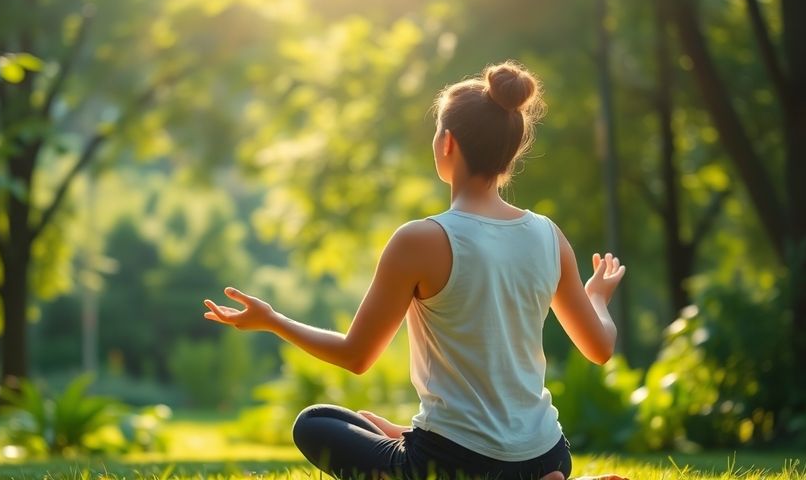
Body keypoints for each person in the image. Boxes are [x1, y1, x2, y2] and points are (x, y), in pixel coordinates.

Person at [202, 60, 628, 480]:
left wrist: (273, 320)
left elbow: (356, 356)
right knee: (360, 422)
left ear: (447, 143)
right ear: (510, 150)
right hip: (547, 457)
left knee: (315, 422)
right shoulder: (548, 236)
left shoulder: (420, 240)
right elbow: (600, 348)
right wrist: (596, 299)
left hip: (452, 465)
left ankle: (416, 446)